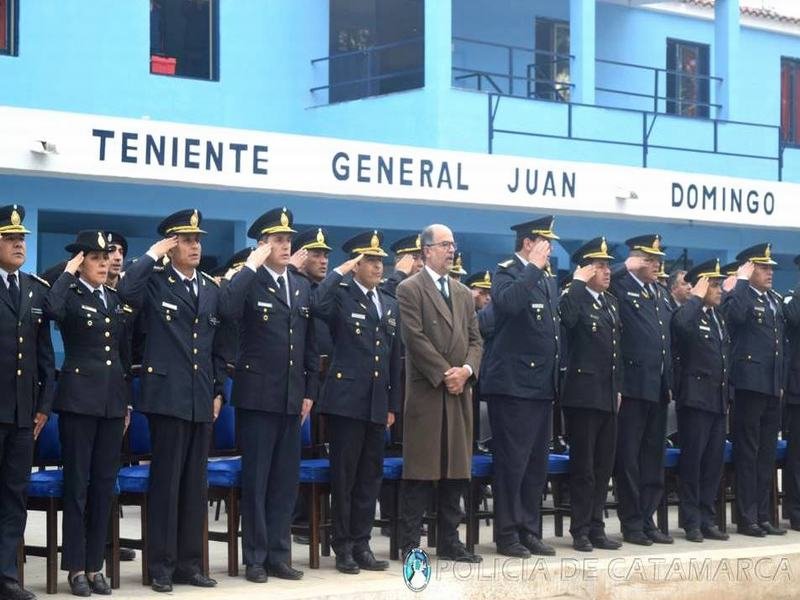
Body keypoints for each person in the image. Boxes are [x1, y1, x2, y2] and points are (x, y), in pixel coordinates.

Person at [117, 209, 225, 592]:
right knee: (166, 485)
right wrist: (151, 255)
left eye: (198, 239)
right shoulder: (154, 281)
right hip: (166, 397)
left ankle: (189, 564)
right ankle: (160, 567)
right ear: (170, 244)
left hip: (199, 397)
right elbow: (125, 292)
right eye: (186, 239)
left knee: (195, 486)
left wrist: (218, 388)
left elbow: (217, 345)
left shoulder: (210, 287)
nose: (195, 246)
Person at [218, 207, 319, 584]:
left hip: (292, 398)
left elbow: (308, 343)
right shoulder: (249, 281)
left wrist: (310, 390)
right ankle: (256, 558)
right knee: (257, 481)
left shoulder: (299, 284)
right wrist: (248, 266)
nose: (285, 245)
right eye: (277, 240)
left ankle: (279, 554)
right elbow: (226, 310)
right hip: (258, 396)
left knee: (284, 482)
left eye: (288, 240)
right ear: (262, 245)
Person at [43, 231, 129, 595]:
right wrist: (68, 270)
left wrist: (126, 402)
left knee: (103, 487)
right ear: (81, 262)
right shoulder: (70, 293)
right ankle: (75, 567)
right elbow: (50, 309)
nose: (103, 263)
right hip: (79, 401)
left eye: (105, 257)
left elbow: (121, 356)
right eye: (95, 257)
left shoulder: (112, 297)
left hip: (111, 403)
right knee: (77, 487)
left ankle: (96, 566)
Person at [313, 230, 401, 574]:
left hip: (377, 403)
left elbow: (395, 358)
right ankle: (344, 546)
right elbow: (317, 305)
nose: (379, 267)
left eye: (381, 261)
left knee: (370, 477)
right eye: (371, 260)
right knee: (345, 478)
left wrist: (393, 403)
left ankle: (362, 543)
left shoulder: (388, 302)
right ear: (356, 264)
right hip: (346, 401)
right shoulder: (340, 295)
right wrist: (338, 272)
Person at [396, 224, 483, 563]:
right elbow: (414, 338)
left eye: (453, 244)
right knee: (421, 471)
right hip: (429, 391)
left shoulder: (462, 293)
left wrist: (467, 371)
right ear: (426, 250)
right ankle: (409, 543)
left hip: (459, 391)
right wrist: (445, 373)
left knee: (455, 472)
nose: (451, 250)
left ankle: (450, 541)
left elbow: (476, 340)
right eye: (445, 244)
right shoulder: (409, 289)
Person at [480, 216, 561, 558]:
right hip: (513, 386)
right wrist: (533, 268)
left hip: (541, 385)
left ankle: (529, 529)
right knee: (512, 465)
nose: (551, 248)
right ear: (529, 243)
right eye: (545, 242)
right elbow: (509, 304)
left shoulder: (544, 279)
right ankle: (508, 534)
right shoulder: (508, 272)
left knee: (535, 466)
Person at [0, 204, 55, 600]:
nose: (19, 245)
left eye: (21, 239)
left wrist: (42, 405)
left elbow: (44, 356)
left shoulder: (35, 289)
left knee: (13, 495)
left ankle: (6, 576)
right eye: (10, 239)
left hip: (22, 413)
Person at [558, 237, 623, 552]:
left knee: (603, 467)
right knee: (583, 468)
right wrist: (577, 284)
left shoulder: (610, 302)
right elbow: (568, 321)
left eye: (608, 264)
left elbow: (616, 352)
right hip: (582, 396)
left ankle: (596, 527)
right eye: (599, 265)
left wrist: (619, 387)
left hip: (608, 395)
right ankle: (580, 529)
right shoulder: (573, 296)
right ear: (585, 269)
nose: (607, 270)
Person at [611, 234, 673, 546]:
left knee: (652, 458)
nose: (657, 264)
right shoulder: (621, 287)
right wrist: (624, 267)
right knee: (629, 459)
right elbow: (604, 285)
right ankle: (632, 522)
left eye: (658, 259)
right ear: (636, 260)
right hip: (633, 388)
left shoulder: (660, 293)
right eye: (649, 259)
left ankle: (647, 518)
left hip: (658, 388)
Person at [721, 243, 787, 537]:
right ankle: (747, 517)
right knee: (748, 453)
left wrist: (781, 382)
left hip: (772, 385)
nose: (770, 272)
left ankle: (763, 514)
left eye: (771, 267)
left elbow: (779, 345)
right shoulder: (739, 295)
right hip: (749, 385)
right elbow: (733, 319)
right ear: (749, 268)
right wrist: (743, 283)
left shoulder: (773, 299)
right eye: (763, 267)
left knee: (766, 454)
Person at [671, 259, 731, 543]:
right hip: (695, 401)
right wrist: (695, 297)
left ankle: (707, 518)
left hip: (717, 400)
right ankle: (691, 521)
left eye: (720, 285)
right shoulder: (689, 313)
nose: (719, 290)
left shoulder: (717, 317)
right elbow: (681, 328)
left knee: (712, 465)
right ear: (701, 286)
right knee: (693, 464)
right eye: (714, 285)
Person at [783, 254, 800, 531]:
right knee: (797, 457)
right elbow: (794, 320)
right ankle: (796, 511)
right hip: (798, 391)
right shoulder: (791, 299)